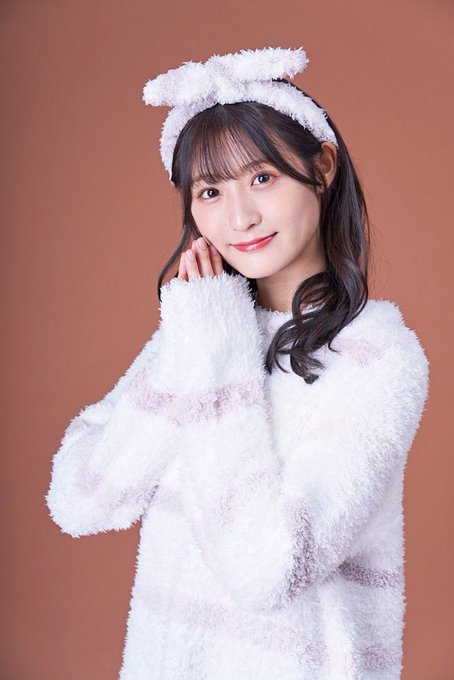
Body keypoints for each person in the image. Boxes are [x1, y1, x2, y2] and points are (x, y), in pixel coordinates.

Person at [45, 47, 430, 680]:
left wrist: (214, 354)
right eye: (210, 191)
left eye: (262, 178)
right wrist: (202, 340)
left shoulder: (377, 357)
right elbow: (80, 501)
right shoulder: (204, 333)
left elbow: (266, 569)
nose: (240, 217)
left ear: (322, 167)